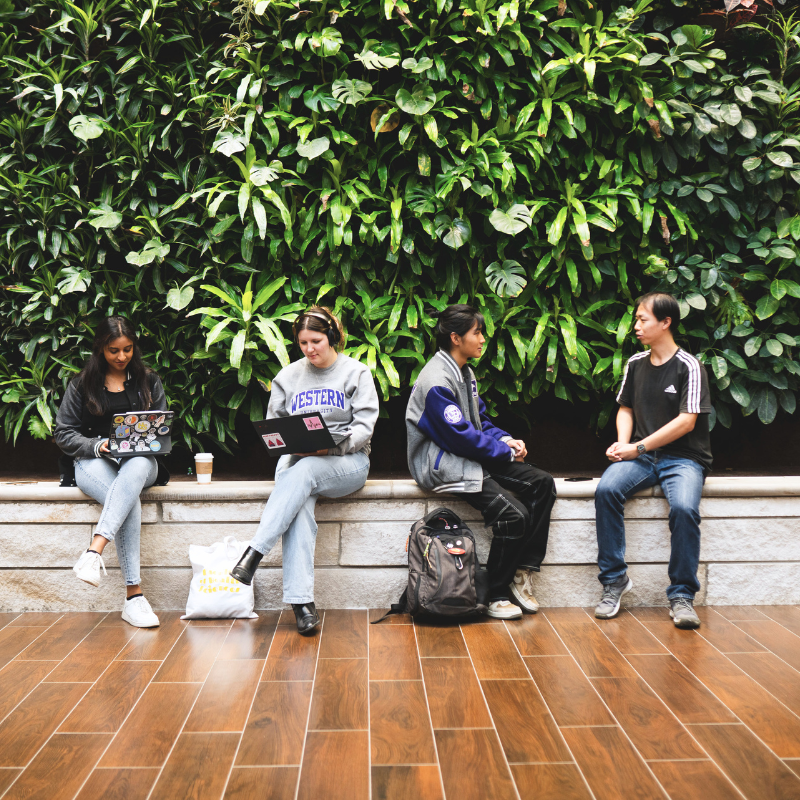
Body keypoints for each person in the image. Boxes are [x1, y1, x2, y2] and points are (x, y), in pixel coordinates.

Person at [230, 306, 379, 635]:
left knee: (307, 468)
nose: (310, 349)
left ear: (332, 337)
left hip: (347, 461)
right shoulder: (287, 377)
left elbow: (364, 428)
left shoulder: (356, 373)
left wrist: (330, 447)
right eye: (303, 343)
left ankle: (254, 552)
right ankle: (302, 605)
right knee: (299, 504)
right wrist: (287, 441)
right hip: (298, 461)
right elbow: (274, 427)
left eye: (316, 341)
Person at [406, 304, 556, 620]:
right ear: (455, 337)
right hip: (443, 463)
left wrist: (504, 440)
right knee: (512, 515)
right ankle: (496, 594)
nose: (482, 339)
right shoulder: (436, 379)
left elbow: (479, 422)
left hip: (468, 455)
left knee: (542, 483)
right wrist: (501, 452)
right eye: (477, 332)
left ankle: (521, 573)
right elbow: (458, 437)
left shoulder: (465, 372)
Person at [594, 292, 712, 629]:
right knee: (606, 491)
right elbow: (626, 408)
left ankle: (682, 596)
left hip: (684, 458)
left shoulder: (689, 365)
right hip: (643, 456)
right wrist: (622, 442)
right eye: (636, 319)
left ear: (665, 322)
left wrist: (638, 447)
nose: (636, 326)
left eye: (642, 319)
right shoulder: (635, 363)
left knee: (685, 510)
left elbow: (687, 421)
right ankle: (614, 581)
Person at [54, 316, 169, 628]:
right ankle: (134, 597)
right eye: (113, 351)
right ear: (100, 349)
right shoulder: (82, 384)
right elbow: (63, 433)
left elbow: (163, 430)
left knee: (139, 464)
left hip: (140, 461)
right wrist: (97, 444)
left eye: (128, 349)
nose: (121, 357)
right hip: (94, 461)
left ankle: (94, 551)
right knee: (127, 499)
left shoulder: (149, 380)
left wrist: (143, 439)